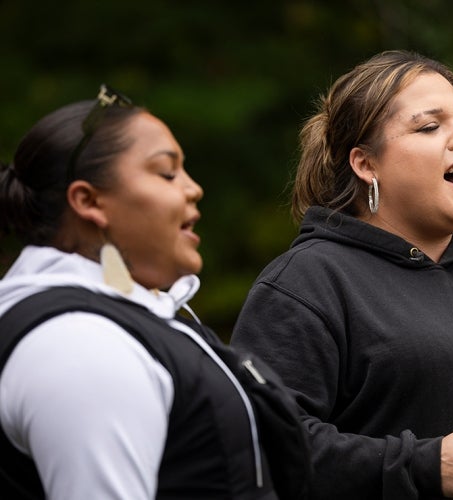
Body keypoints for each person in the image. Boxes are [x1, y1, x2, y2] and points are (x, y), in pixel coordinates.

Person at [230, 50, 453, 499]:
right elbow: (263, 447)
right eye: (429, 126)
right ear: (366, 164)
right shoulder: (305, 283)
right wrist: (417, 466)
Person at [0, 85, 309, 500]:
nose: (193, 188)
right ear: (89, 201)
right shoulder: (80, 346)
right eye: (166, 172)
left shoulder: (119, 320)